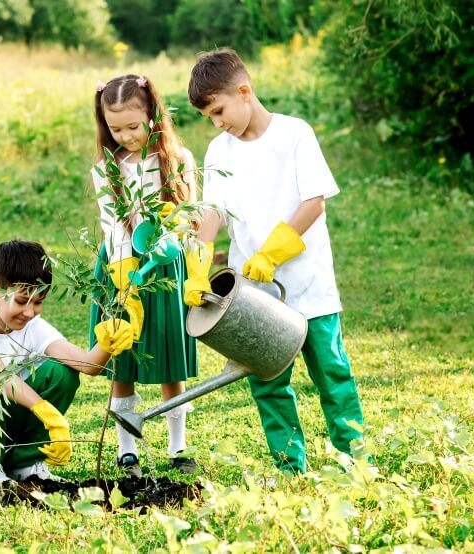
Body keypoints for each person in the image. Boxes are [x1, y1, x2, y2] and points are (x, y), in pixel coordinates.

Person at [185, 48, 365, 474]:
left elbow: (313, 202)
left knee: (333, 374)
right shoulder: (218, 151)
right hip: (255, 295)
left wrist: (273, 251)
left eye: (219, 110)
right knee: (268, 383)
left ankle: (357, 462)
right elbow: (212, 212)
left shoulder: (294, 134)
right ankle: (290, 466)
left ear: (244, 91)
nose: (217, 122)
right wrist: (198, 265)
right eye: (209, 116)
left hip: (308, 283)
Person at [0, 239, 134, 489]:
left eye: (38, 302)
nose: (29, 313)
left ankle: (24, 463)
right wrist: (43, 410)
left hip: (3, 427)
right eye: (20, 301)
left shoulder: (33, 327)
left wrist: (110, 340)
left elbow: (87, 365)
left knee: (61, 373)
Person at [88, 74, 199, 476]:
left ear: (152, 116)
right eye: (115, 128)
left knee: (170, 358)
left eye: (132, 127)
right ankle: (126, 448)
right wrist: (124, 271)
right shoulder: (107, 167)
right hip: (120, 269)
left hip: (166, 268)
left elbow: (189, 214)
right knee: (124, 356)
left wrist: (165, 243)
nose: (125, 136)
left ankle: (178, 446)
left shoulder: (177, 160)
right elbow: (112, 223)